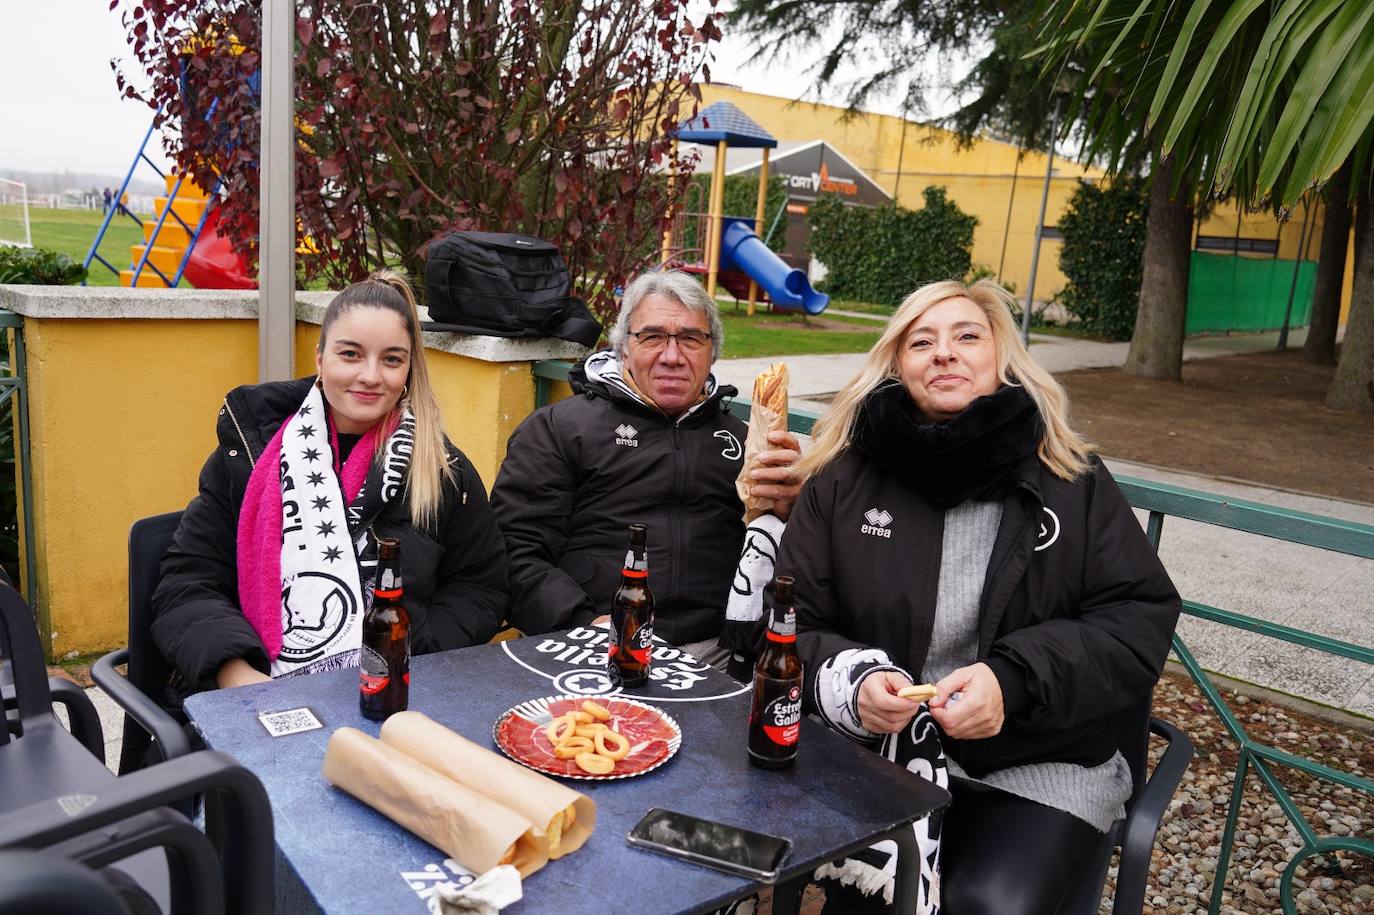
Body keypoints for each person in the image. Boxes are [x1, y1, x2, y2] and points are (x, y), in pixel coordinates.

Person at [777, 278, 1181, 913]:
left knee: (984, 903)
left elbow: (1137, 618)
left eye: (968, 336)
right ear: (896, 365)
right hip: (883, 751)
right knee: (867, 900)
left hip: (1040, 758)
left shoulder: (1072, 479)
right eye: (922, 341)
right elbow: (791, 622)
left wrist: (1012, 682)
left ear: (1001, 360)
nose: (944, 353)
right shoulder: (844, 479)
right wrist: (852, 686)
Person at [152, 270, 509, 692]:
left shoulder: (444, 469)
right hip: (256, 693)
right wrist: (238, 676)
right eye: (351, 354)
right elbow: (187, 584)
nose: (371, 376)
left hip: (396, 693)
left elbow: (480, 585)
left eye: (392, 359)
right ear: (321, 358)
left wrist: (404, 651)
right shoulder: (249, 456)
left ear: (409, 370)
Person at [490, 269, 802, 668]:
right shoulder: (559, 429)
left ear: (712, 353)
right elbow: (513, 548)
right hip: (588, 643)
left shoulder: (743, 442)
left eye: (691, 339)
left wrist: (790, 509)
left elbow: (783, 559)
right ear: (624, 350)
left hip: (718, 652)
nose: (672, 356)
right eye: (652, 337)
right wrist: (585, 624)